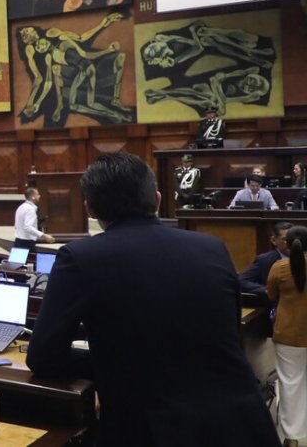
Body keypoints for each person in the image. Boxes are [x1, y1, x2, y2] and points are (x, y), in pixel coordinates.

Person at [27, 152, 279, 446]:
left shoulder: (80, 257)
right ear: (158, 199)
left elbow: (43, 357)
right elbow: (224, 333)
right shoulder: (213, 247)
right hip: (243, 424)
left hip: (153, 429)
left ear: (90, 209)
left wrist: (106, 362)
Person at [267, 225, 307, 446]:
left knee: (290, 385)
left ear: (287, 246)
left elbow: (271, 295)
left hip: (289, 334)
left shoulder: (279, 267)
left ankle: (292, 437)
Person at [240, 221, 294, 298]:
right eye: (285, 239)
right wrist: (267, 290)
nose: (291, 243)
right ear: (274, 240)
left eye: (293, 239)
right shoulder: (264, 260)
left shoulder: (304, 258)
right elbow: (242, 281)